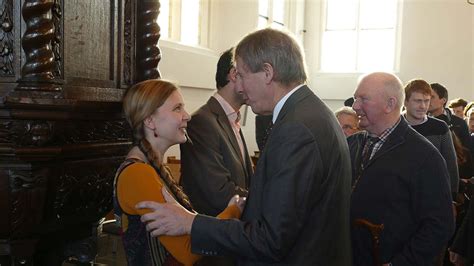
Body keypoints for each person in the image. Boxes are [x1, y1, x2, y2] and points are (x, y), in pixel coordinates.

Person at [137, 28, 353, 265]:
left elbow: (270, 240)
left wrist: (190, 222)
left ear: (267, 72)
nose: (238, 87)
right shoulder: (312, 113)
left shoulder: (296, 128)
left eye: (241, 75)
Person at [113, 79, 244, 266]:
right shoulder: (137, 174)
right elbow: (187, 250)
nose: (187, 116)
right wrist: (233, 211)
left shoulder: (152, 168)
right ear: (150, 120)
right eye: (177, 108)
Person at [348, 72, 455, 266]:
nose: (355, 106)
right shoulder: (352, 144)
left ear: (390, 104)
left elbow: (440, 225)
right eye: (355, 99)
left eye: (363, 99)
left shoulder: (424, 156)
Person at [179, 48, 253, 266]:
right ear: (233, 74)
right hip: (215, 249)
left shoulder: (232, 120)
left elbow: (245, 179)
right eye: (252, 73)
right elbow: (216, 192)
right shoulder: (203, 122)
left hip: (234, 241)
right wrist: (267, 202)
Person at [403, 79, 459, 194]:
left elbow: (450, 164)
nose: (423, 106)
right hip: (400, 193)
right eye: (417, 101)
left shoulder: (440, 127)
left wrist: (452, 196)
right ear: (405, 101)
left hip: (432, 192)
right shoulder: (394, 125)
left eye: (426, 101)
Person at [429, 83, 471, 151]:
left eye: (432, 97)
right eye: (427, 96)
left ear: (443, 100)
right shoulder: (421, 121)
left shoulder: (459, 123)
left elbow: (468, 151)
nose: (428, 100)